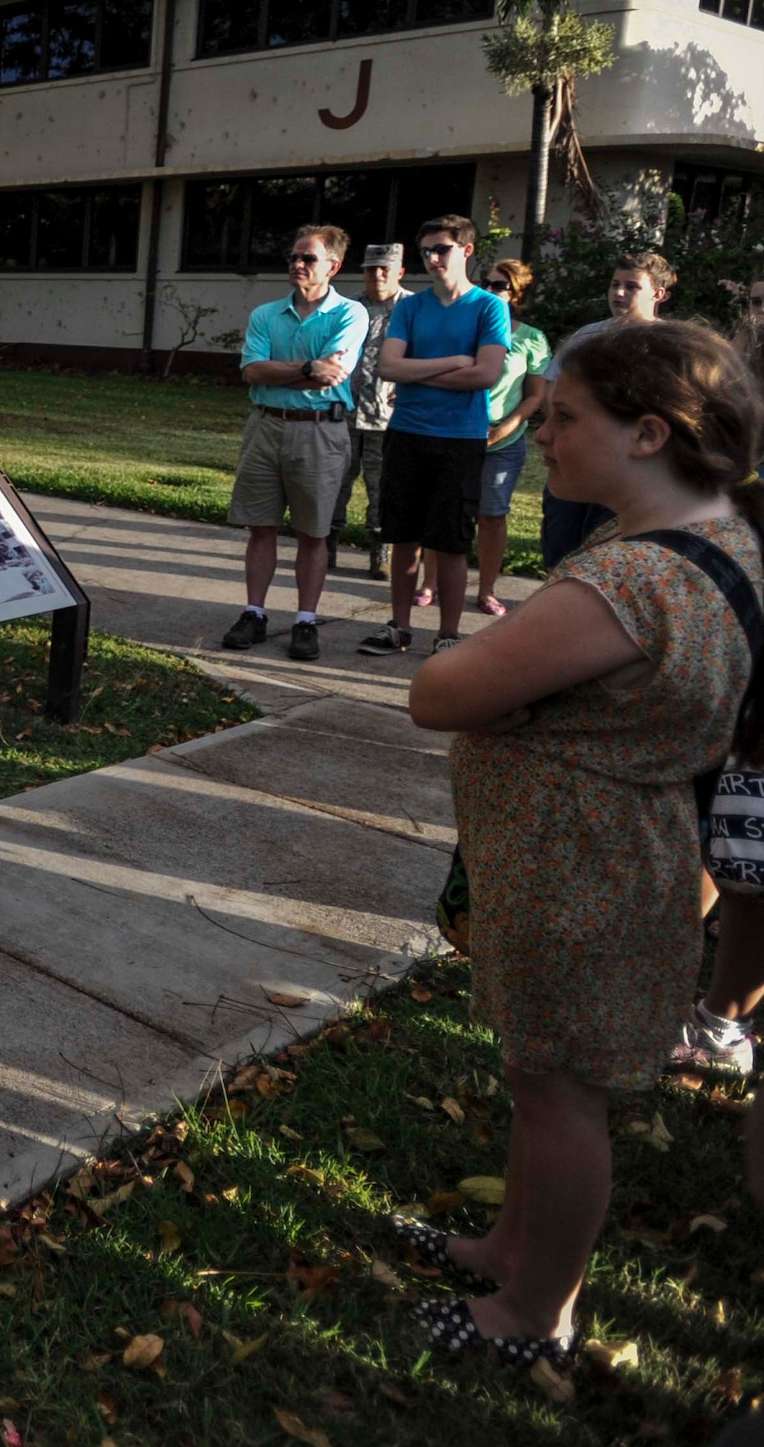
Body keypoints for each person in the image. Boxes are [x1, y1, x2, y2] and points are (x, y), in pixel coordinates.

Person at [404, 321, 764, 1367]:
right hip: (606, 859)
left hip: (581, 874)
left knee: (560, 1096)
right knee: (540, 1076)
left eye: (564, 418)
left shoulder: (634, 583)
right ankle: (509, 1247)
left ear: (647, 432)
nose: (542, 434)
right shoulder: (724, 538)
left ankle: (532, 1311)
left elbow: (439, 690)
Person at [358, 215, 510, 658]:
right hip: (406, 433)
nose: (432, 258)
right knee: (403, 536)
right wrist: (454, 361)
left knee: (450, 541)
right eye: (426, 251)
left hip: (460, 439)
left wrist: (419, 375)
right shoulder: (410, 306)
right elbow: (388, 368)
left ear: (466, 251)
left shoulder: (489, 307)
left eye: (441, 249)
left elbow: (485, 375)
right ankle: (399, 627)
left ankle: (447, 634)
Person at [218, 223, 369, 662]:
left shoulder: (350, 314)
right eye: (294, 257)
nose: (297, 264)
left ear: (334, 267)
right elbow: (252, 372)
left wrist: (282, 368)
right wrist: (307, 367)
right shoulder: (266, 314)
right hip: (266, 425)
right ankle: (254, 613)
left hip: (321, 430)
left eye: (308, 258)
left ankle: (305, 620)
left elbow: (334, 372)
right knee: (260, 526)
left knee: (313, 531)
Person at [536, 251, 675, 568]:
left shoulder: (669, 345)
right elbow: (552, 387)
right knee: (561, 552)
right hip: (573, 461)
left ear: (659, 293)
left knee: (606, 556)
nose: (619, 293)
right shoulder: (587, 336)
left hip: (628, 471)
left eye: (631, 286)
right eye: (615, 285)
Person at [472, 259, 552, 616]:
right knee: (448, 512)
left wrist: (506, 426)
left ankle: (486, 589)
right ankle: (432, 582)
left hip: (503, 440)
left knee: (492, 515)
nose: (490, 290)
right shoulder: (465, 329)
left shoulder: (532, 338)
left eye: (499, 286)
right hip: (456, 433)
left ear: (516, 293)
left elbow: (536, 394)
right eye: (485, 283)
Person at [328, 243, 411, 579]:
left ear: (400, 272)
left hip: (388, 416)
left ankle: (381, 554)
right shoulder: (348, 307)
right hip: (343, 410)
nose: (376, 275)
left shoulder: (414, 309)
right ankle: (326, 547)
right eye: (370, 269)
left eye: (384, 269)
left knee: (383, 487)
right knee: (335, 482)